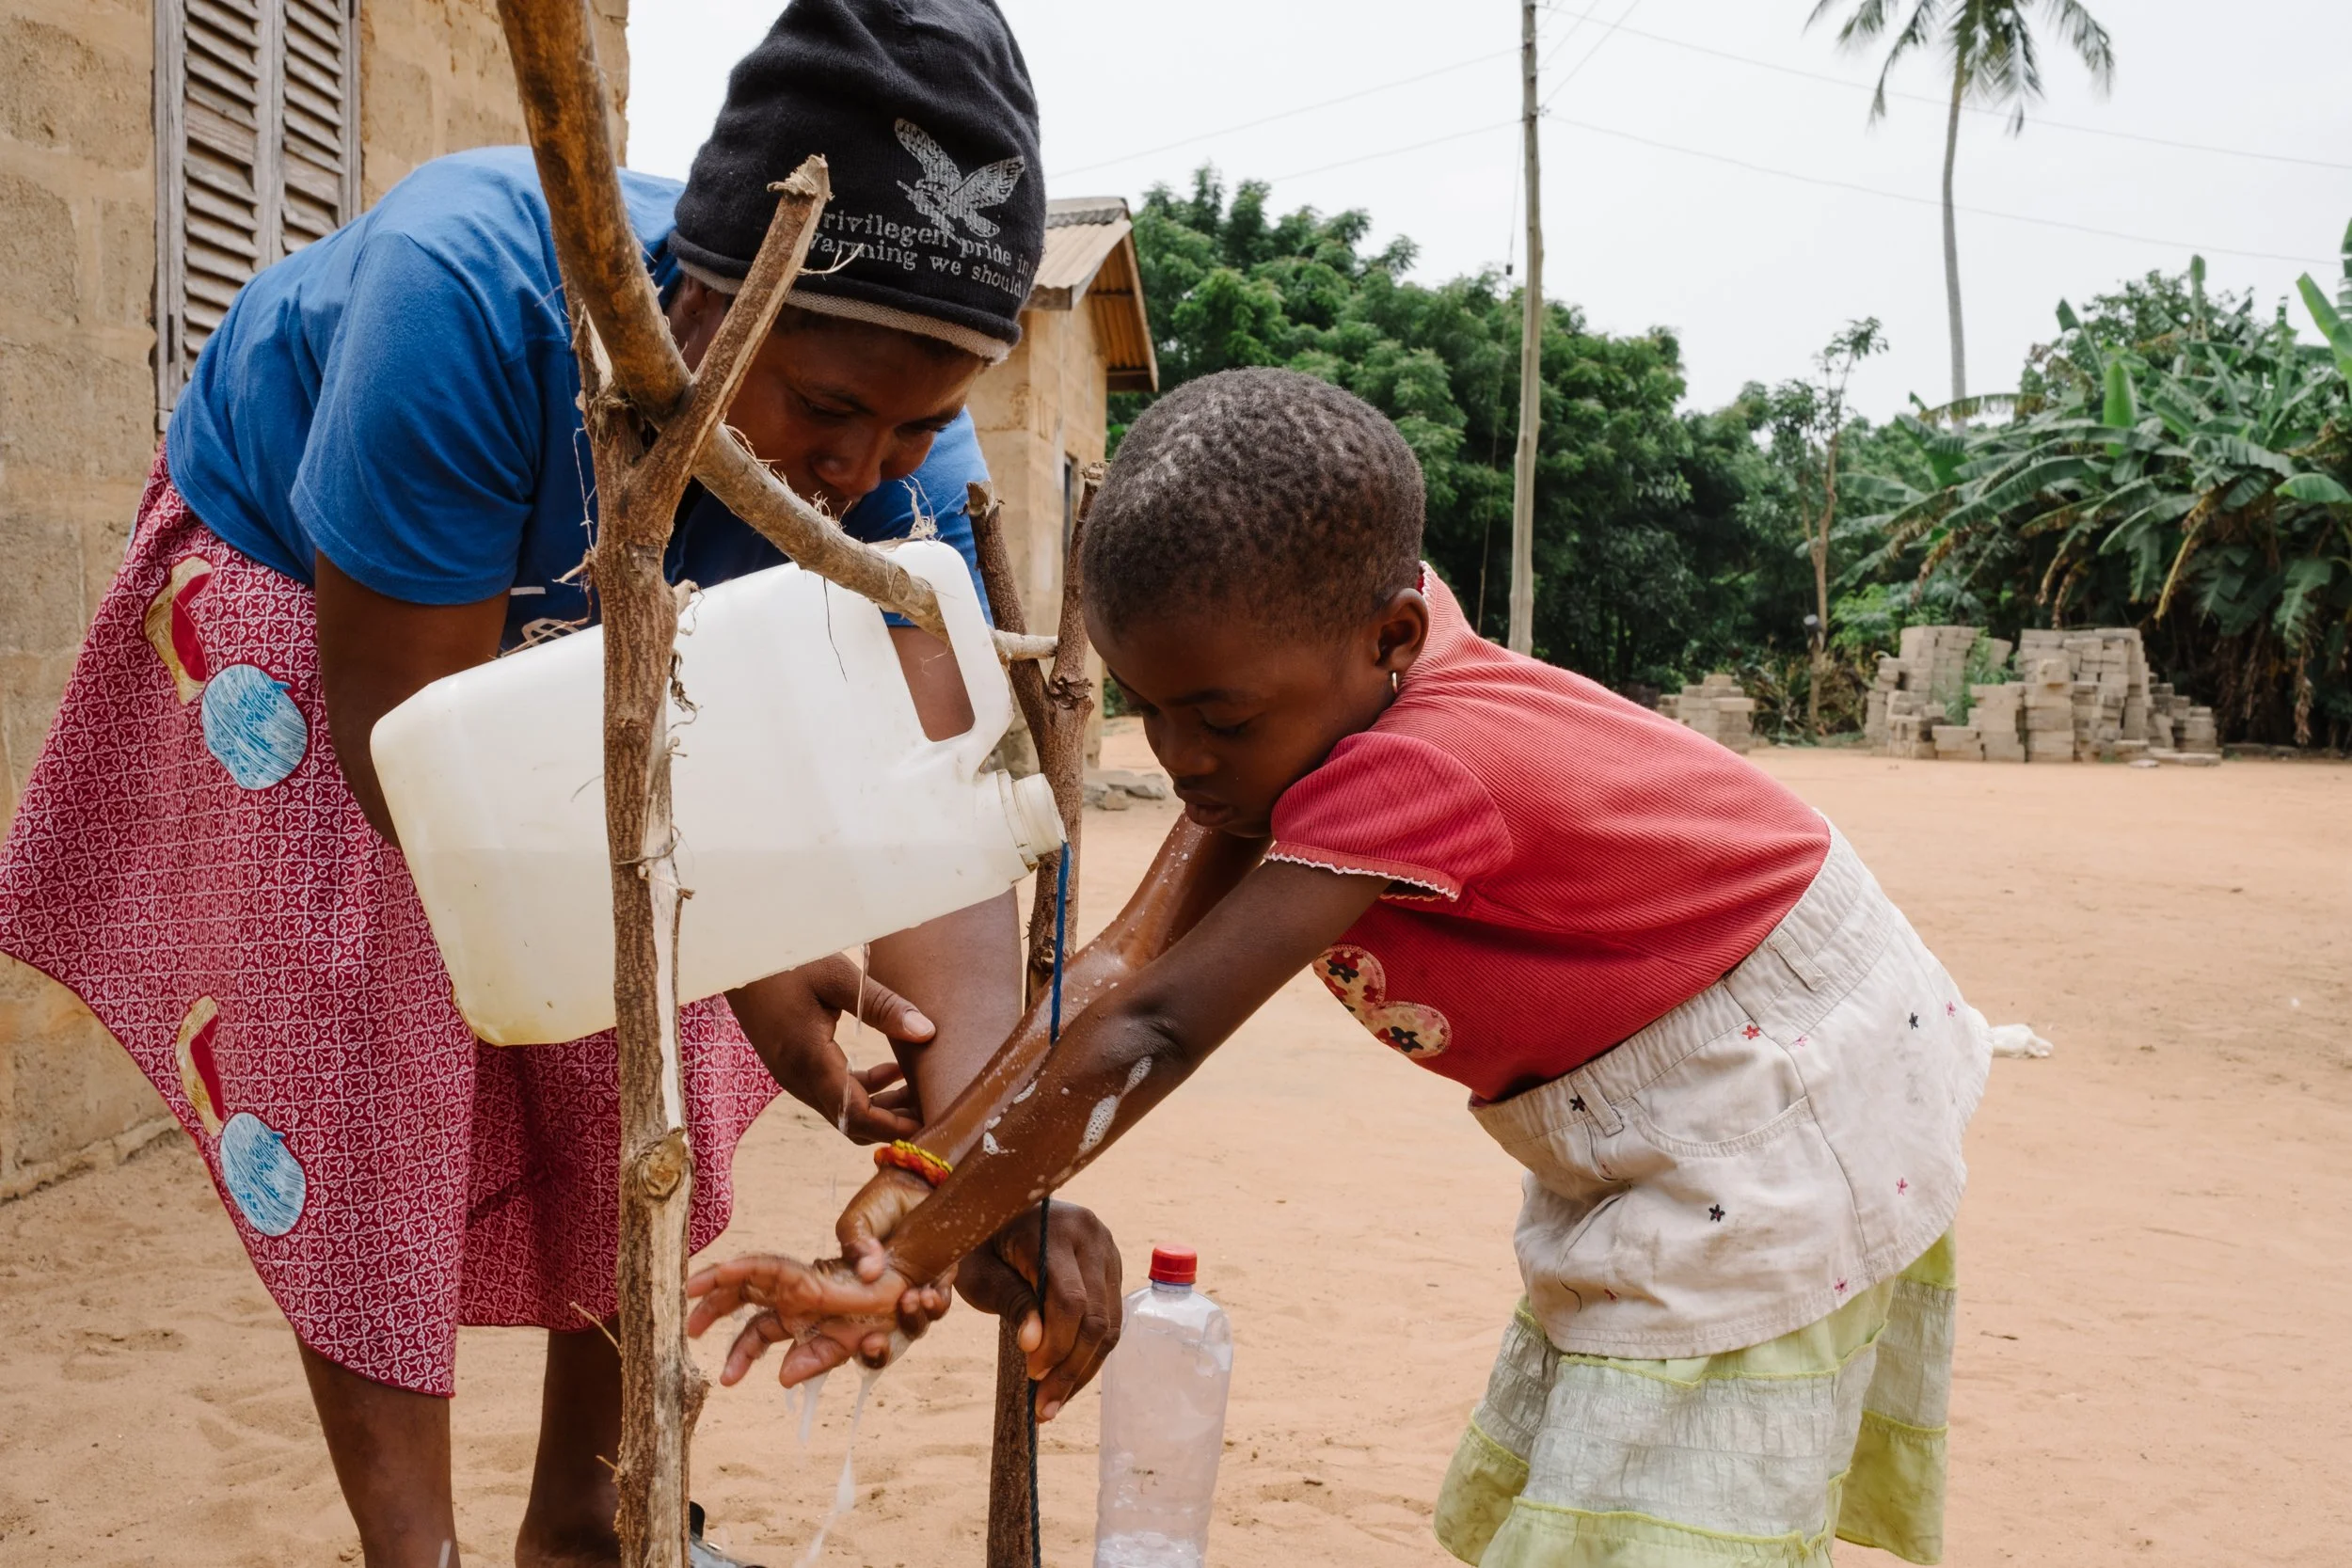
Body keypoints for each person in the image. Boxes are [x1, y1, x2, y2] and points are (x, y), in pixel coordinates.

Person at [0, 2, 1124, 1564]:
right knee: (376, 1021)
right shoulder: (467, 303)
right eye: (824, 405)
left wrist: (986, 1173)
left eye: (919, 421)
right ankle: (419, 1551)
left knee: (637, 1078)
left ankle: (587, 1527)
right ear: (705, 295)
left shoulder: (900, 474)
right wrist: (734, 947)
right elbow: (431, 793)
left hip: (596, 638)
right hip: (317, 610)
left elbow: (937, 853)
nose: (867, 463)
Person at [689, 368, 1992, 1567]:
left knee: (1655, 1507)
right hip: (1657, 1110)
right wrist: (911, 1202)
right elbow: (1113, 971)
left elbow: (1155, 1026)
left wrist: (922, 1235)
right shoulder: (1325, 679)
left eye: (1221, 718)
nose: (1185, 757)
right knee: (1612, 1491)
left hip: (1778, 1092)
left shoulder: (1410, 763)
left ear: (1390, 638)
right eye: (1152, 704)